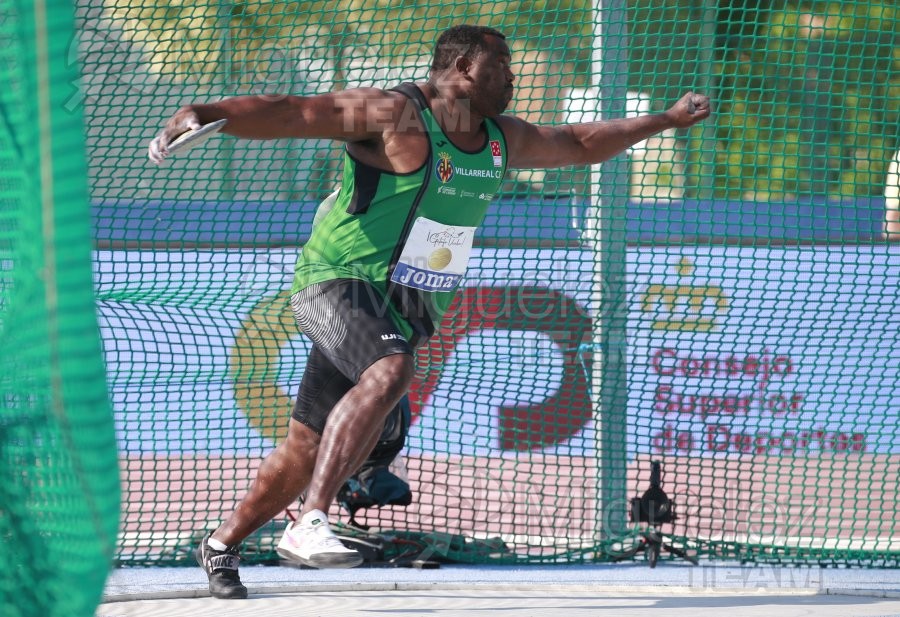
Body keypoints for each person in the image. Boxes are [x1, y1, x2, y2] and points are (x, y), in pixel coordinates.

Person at [148, 24, 710, 599]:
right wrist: (207, 109)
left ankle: (220, 543)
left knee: (304, 447)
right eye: (503, 65)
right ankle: (310, 522)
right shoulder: (396, 113)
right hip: (338, 281)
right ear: (464, 67)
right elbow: (296, 112)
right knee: (391, 372)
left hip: (405, 308)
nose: (513, 77)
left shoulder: (500, 138)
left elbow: (582, 142)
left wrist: (664, 120)